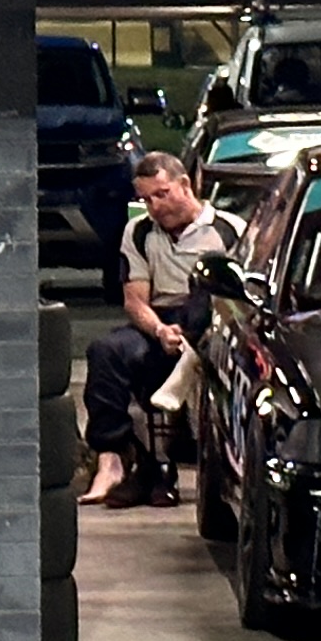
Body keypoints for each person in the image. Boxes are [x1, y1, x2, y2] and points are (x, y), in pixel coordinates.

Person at [85, 150, 233, 508]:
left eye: (162, 194)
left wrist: (190, 330)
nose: (154, 206)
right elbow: (135, 300)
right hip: (160, 320)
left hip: (211, 321)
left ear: (185, 185)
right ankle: (114, 456)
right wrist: (160, 330)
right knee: (106, 351)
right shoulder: (138, 232)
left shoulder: (228, 230)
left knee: (206, 284)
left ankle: (187, 366)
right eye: (146, 199)